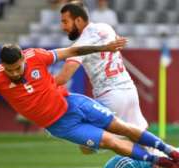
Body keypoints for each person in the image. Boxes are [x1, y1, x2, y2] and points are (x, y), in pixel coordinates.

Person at [0, 41, 179, 168]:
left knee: (122, 127)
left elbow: (74, 50)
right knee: (111, 141)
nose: (13, 73)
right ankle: (157, 161)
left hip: (72, 102)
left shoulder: (36, 56)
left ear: (23, 58)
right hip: (60, 125)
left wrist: (103, 48)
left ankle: (170, 150)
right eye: (9, 69)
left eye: (17, 68)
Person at [56, 3, 147, 154]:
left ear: (78, 20)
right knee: (141, 138)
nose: (63, 27)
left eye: (65, 22)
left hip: (110, 97)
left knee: (86, 147)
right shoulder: (106, 27)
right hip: (129, 90)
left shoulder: (81, 44)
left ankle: (133, 148)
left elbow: (63, 78)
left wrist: (37, 86)